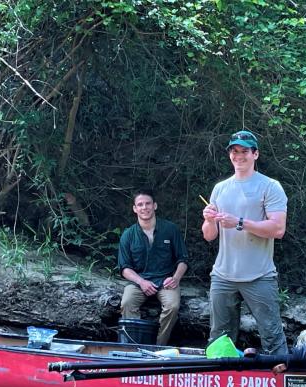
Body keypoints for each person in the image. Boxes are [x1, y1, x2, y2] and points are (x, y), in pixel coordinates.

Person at [201, 130, 289, 355]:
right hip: (222, 275)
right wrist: (209, 220)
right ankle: (221, 384)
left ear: (255, 154)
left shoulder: (270, 186)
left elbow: (278, 229)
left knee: (272, 335)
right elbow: (209, 235)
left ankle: (281, 381)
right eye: (234, 151)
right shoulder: (220, 188)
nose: (239, 156)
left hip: (259, 275)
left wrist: (239, 222)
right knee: (218, 339)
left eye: (244, 151)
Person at [118, 189, 188, 345]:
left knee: (173, 306)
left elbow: (183, 259)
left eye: (148, 203)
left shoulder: (170, 229)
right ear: (135, 209)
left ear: (155, 205)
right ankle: (133, 347)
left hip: (166, 281)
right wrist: (141, 282)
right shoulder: (128, 235)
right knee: (127, 302)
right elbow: (124, 268)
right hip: (138, 281)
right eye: (140, 204)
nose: (144, 207)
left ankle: (157, 347)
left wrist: (176, 278)